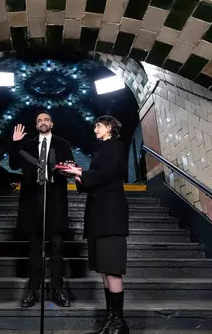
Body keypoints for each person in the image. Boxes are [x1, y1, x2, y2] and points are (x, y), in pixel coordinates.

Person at [63, 115, 130, 334]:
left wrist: (81, 172)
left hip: (111, 215)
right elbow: (94, 181)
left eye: (97, 126)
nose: (94, 130)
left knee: (111, 269)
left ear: (109, 127)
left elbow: (108, 174)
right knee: (104, 270)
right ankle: (111, 321)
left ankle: (119, 324)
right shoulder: (102, 149)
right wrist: (77, 176)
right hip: (99, 216)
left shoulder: (115, 147)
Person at [8, 111, 75, 308]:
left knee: (56, 248)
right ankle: (32, 290)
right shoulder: (27, 144)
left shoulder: (62, 144)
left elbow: (70, 167)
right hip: (32, 201)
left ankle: (58, 290)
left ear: (52, 123)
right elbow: (13, 164)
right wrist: (15, 143)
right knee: (34, 249)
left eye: (46, 119)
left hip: (55, 201)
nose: (43, 122)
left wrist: (65, 168)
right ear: (36, 126)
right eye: (39, 120)